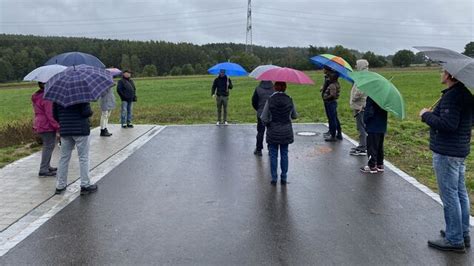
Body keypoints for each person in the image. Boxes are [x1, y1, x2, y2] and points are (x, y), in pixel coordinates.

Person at [420, 69, 472, 253]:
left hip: (447, 153)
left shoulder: (452, 96)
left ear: (450, 76)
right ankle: (462, 232)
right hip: (459, 151)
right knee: (460, 193)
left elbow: (449, 125)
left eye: (443, 72)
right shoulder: (465, 94)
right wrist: (436, 114)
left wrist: (426, 115)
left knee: (450, 196)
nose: (440, 74)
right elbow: (464, 121)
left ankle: (454, 239)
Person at [53, 102, 97, 195]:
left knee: (64, 158)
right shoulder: (81, 94)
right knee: (83, 157)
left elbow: (55, 115)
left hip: (65, 130)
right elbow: (86, 112)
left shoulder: (58, 96)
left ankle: (60, 185)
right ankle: (85, 185)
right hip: (81, 129)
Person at [261, 82, 298, 186]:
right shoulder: (290, 99)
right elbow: (294, 115)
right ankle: (284, 177)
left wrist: (267, 124)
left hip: (273, 130)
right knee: (284, 154)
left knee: (273, 155)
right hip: (286, 130)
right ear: (285, 88)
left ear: (275, 88)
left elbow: (264, 117)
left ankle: (273, 177)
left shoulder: (270, 100)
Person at [32, 82, 59, 177]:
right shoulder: (47, 97)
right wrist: (57, 126)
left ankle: (47, 166)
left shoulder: (37, 95)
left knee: (49, 146)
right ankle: (43, 169)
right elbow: (50, 114)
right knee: (48, 146)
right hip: (46, 124)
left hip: (40, 122)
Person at [360, 96, 387, 174]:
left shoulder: (372, 96)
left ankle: (372, 166)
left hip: (373, 125)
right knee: (379, 146)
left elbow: (369, 112)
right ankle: (380, 164)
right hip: (382, 125)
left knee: (372, 146)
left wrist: (365, 119)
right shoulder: (385, 98)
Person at [349, 60, 369, 156]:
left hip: (360, 105)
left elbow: (360, 90)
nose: (356, 66)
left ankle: (363, 148)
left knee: (361, 127)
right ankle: (362, 145)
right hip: (360, 104)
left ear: (361, 65)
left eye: (357, 65)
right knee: (361, 126)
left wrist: (354, 98)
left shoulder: (363, 76)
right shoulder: (363, 75)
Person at [251, 80, 274, 156]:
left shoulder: (258, 89)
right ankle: (270, 148)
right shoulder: (274, 89)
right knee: (270, 131)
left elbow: (254, 101)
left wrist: (258, 109)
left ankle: (258, 149)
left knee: (260, 132)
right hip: (271, 113)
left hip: (261, 113)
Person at [323, 68, 342, 142]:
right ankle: (338, 134)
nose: (328, 77)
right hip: (332, 102)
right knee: (334, 118)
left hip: (330, 102)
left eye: (330, 76)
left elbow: (333, 95)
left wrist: (326, 97)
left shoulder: (332, 85)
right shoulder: (335, 83)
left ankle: (333, 135)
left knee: (332, 119)